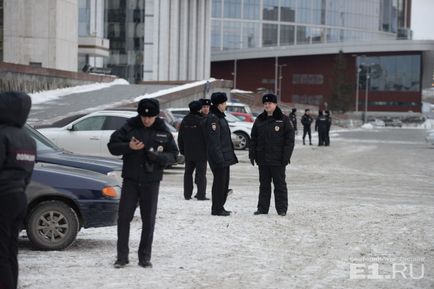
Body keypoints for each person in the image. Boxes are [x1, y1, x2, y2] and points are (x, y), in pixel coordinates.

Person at [107, 98, 178, 269]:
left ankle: (144, 257)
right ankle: (122, 257)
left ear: (156, 116)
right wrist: (128, 146)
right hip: (131, 180)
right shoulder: (129, 127)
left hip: (151, 182)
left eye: (150, 117)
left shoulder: (163, 130)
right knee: (124, 218)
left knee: (148, 220)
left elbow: (174, 155)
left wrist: (159, 158)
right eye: (144, 116)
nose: (147, 120)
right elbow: (112, 146)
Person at [0, 92, 36, 289]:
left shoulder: (2, 135)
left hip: (2, 198)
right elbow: (28, 174)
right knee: (11, 251)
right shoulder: (28, 139)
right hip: (20, 198)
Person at [249, 93, 294, 216]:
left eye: (270, 103)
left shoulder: (284, 120)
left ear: (275, 104)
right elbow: (253, 138)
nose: (267, 105)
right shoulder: (259, 120)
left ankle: (282, 209)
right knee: (264, 186)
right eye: (265, 104)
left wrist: (286, 157)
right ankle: (262, 208)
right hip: (262, 160)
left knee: (279, 186)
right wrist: (252, 154)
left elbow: (289, 141)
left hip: (278, 160)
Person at [205, 92, 238, 216]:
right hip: (219, 157)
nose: (226, 105)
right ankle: (217, 208)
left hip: (224, 156)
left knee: (224, 183)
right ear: (219, 104)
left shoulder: (220, 117)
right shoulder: (213, 119)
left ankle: (220, 206)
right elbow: (214, 142)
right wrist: (219, 159)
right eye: (224, 103)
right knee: (219, 183)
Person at [178, 100, 208, 200]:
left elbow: (180, 137)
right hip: (201, 152)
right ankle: (201, 194)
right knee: (201, 174)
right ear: (199, 109)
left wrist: (182, 150)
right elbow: (207, 137)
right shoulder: (202, 120)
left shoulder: (185, 120)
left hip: (188, 152)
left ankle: (187, 194)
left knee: (188, 173)